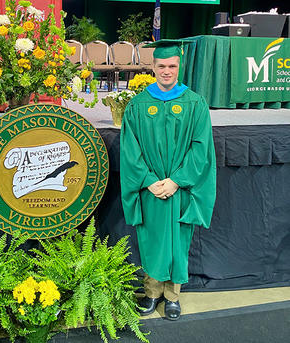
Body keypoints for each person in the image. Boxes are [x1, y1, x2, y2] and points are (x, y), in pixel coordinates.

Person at [120, 39, 216, 321]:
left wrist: (176, 180)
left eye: (172, 65)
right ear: (152, 67)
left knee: (177, 242)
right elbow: (130, 150)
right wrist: (149, 181)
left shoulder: (195, 103)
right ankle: (151, 293)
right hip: (150, 188)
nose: (166, 71)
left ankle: (172, 297)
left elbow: (201, 149)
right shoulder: (137, 105)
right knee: (151, 239)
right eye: (161, 65)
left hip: (180, 189)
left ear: (179, 66)